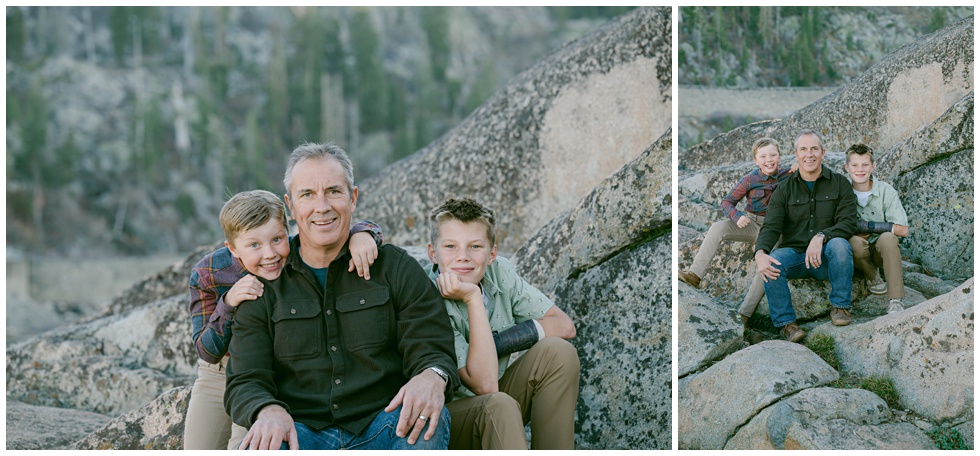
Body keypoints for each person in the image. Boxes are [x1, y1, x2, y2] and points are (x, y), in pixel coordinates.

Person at [224, 142, 459, 450]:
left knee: (426, 416)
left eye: (334, 191)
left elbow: (432, 344)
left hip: (386, 424)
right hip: (301, 435)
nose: (322, 206)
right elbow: (245, 378)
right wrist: (267, 410)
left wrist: (432, 376)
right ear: (290, 206)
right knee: (261, 444)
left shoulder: (395, 268)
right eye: (307, 195)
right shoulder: (261, 285)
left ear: (353, 198)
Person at [184, 189, 384, 450]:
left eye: (277, 239)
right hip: (220, 371)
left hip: (267, 373)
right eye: (254, 245)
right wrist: (229, 303)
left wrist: (364, 234)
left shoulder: (297, 252)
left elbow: (335, 232)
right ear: (232, 248)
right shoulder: (209, 273)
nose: (270, 254)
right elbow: (206, 351)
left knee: (244, 447)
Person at [425, 196, 579, 450]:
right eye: (450, 246)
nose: (463, 257)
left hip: (497, 399)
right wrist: (472, 297)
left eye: (475, 246)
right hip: (448, 421)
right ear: (433, 253)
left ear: (492, 253)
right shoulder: (425, 297)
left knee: (559, 353)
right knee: (498, 404)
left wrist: (494, 345)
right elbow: (484, 385)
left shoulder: (500, 273)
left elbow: (563, 325)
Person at [678, 138, 795, 327]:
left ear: (779, 156)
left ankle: (744, 314)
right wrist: (737, 216)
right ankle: (694, 275)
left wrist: (797, 165)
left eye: (773, 155)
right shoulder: (750, 179)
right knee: (718, 227)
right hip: (751, 223)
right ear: (756, 160)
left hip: (775, 229)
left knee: (767, 262)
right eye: (763, 156)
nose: (769, 160)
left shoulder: (788, 174)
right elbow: (726, 202)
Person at [754, 130, 858, 342]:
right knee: (772, 261)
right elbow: (771, 226)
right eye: (803, 149)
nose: (809, 154)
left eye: (814, 149)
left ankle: (840, 307)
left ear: (823, 152)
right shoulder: (784, 190)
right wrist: (760, 252)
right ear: (795, 154)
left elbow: (848, 223)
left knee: (839, 244)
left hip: (827, 258)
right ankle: (787, 325)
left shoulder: (840, 183)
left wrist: (821, 236)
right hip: (797, 259)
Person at [843, 143, 910, 314]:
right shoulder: (842, 191)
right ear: (846, 167)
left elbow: (903, 230)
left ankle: (896, 299)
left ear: (873, 166)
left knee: (889, 238)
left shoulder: (886, 191)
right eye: (855, 165)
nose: (860, 169)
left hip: (881, 251)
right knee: (853, 241)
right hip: (857, 252)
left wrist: (868, 227)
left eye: (865, 165)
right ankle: (872, 277)